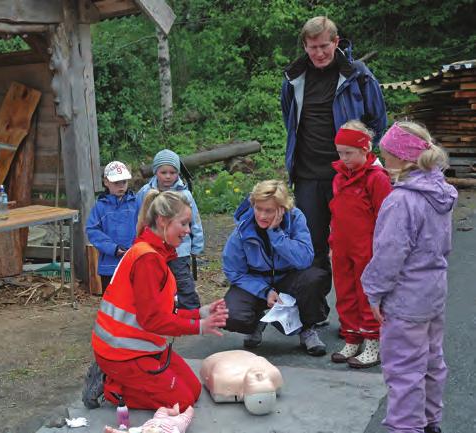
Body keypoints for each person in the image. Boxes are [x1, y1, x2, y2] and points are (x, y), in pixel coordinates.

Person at [82, 190, 228, 410]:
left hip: (142, 347)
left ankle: (120, 378)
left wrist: (200, 313)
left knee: (194, 391)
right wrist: (198, 327)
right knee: (182, 402)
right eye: (184, 224)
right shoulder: (148, 261)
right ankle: (110, 385)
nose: (188, 231)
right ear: (162, 222)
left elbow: (162, 312)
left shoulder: (153, 253)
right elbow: (154, 321)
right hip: (122, 354)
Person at [281, 16, 387, 300]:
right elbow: (289, 120)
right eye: (312, 47)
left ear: (336, 42)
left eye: (324, 46)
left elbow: (377, 121)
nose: (319, 53)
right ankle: (314, 317)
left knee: (355, 247)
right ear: (305, 45)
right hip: (307, 176)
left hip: (348, 177)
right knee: (312, 248)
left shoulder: (358, 74)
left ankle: (359, 320)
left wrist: (358, 159)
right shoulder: (294, 78)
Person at [362, 121, 456, 433]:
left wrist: (374, 291)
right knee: (431, 361)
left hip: (405, 300)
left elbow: (389, 254)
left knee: (404, 368)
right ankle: (430, 422)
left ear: (402, 159)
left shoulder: (401, 200)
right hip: (433, 293)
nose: (382, 160)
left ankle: (405, 428)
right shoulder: (440, 192)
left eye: (386, 155)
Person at [222, 180, 330, 356]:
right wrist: (264, 291)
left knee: (315, 277)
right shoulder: (243, 228)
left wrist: (276, 235)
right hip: (257, 281)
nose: (262, 216)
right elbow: (234, 271)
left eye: (269, 211)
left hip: (289, 277)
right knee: (230, 314)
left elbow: (304, 259)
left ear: (282, 209)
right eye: (258, 209)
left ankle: (307, 329)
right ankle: (257, 322)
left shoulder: (295, 218)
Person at [328, 120, 392, 367]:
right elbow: (337, 211)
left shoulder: (377, 178)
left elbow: (385, 218)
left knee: (367, 294)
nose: (343, 158)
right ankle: (352, 338)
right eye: (340, 153)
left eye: (349, 153)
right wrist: (332, 240)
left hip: (367, 249)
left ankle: (373, 343)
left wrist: (381, 251)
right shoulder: (340, 177)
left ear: (365, 149)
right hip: (342, 247)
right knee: (344, 292)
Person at [136, 149, 204, 310]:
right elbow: (138, 218)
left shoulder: (184, 195)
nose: (168, 176)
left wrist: (197, 246)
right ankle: (160, 310)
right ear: (155, 172)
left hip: (179, 249)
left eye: (173, 172)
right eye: (163, 172)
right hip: (153, 249)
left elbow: (195, 221)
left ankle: (191, 310)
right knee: (155, 280)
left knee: (182, 280)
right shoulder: (145, 193)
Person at [86, 161, 138, 292]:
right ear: (106, 182)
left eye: (124, 182)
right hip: (109, 264)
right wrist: (112, 248)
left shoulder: (136, 204)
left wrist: (137, 248)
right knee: (111, 299)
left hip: (134, 261)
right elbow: (92, 230)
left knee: (133, 298)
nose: (121, 186)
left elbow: (144, 226)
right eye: (116, 183)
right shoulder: (100, 207)